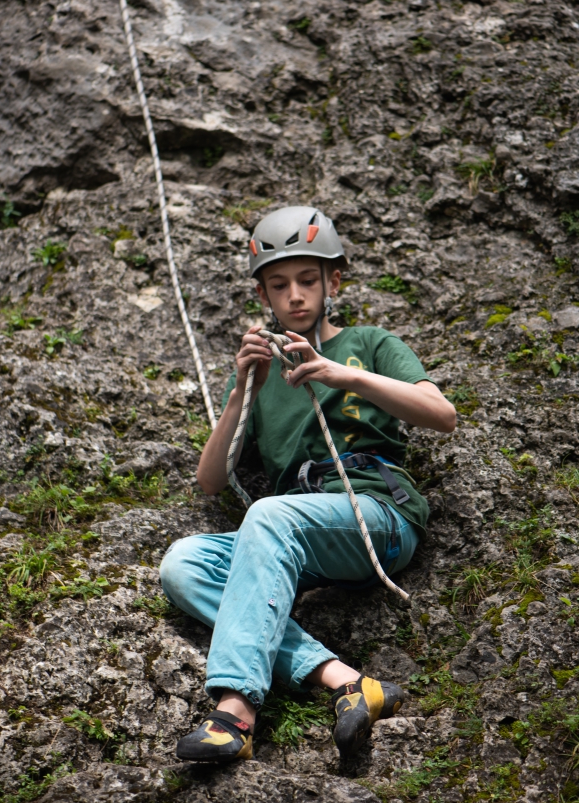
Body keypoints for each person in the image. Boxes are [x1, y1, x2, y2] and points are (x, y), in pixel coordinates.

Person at [160, 206, 456, 762]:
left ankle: (235, 713)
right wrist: (240, 388)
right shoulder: (261, 372)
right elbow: (210, 480)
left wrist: (343, 374)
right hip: (294, 533)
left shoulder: (368, 343)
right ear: (263, 296)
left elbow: (440, 413)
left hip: (375, 513)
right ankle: (344, 680)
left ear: (332, 281)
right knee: (183, 564)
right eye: (279, 284)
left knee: (269, 516)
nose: (294, 295)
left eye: (306, 279)